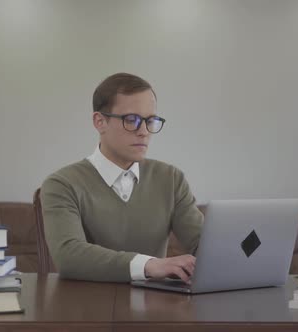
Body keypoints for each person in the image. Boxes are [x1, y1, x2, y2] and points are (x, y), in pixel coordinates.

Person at [40, 73, 203, 283]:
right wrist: (149, 265)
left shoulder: (171, 179)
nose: (144, 131)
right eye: (132, 120)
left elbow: (204, 246)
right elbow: (69, 255)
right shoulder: (61, 184)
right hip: (85, 307)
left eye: (150, 120)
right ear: (100, 122)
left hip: (156, 308)